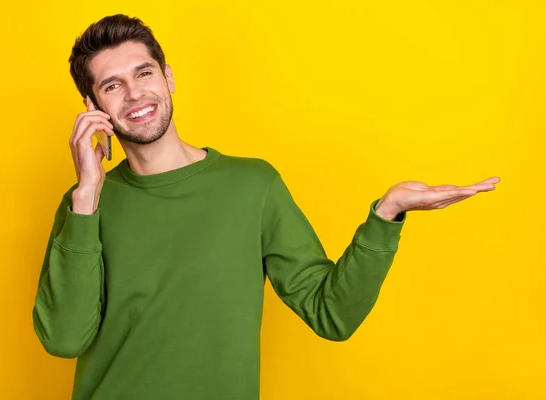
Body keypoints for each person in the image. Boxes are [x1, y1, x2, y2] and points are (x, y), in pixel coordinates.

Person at [32, 14, 500, 400]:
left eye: (144, 73)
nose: (134, 94)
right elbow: (64, 339)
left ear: (168, 76)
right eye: (112, 86)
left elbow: (330, 313)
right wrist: (86, 197)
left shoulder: (251, 186)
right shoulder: (84, 206)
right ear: (93, 105)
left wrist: (387, 213)